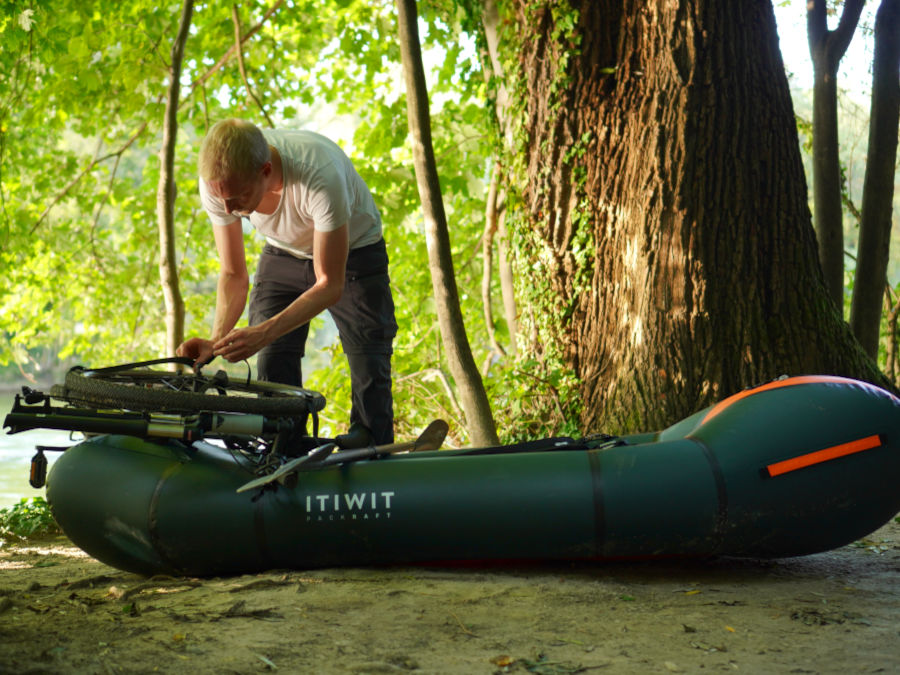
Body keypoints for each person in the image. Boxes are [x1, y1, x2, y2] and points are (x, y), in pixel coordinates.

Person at [177, 119, 397, 444]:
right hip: (282, 254)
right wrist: (216, 340)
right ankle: (284, 451)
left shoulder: (318, 174)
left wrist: (261, 332)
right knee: (273, 362)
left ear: (266, 171)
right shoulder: (220, 184)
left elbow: (329, 284)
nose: (228, 209)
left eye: (238, 197)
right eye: (220, 199)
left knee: (368, 361)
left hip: (355, 255)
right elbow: (234, 274)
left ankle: (371, 451)